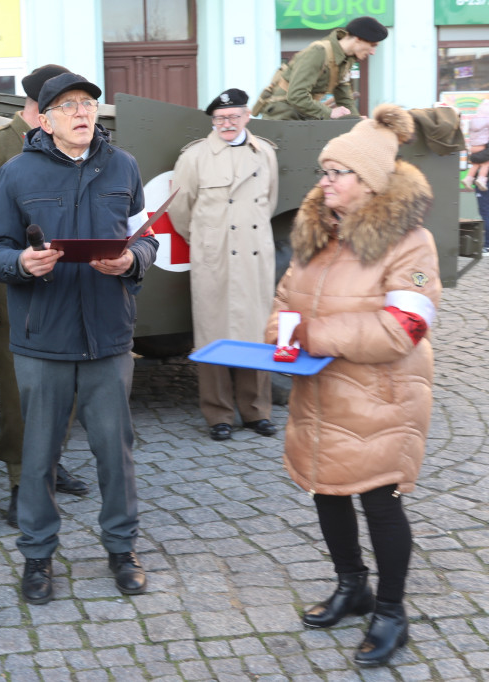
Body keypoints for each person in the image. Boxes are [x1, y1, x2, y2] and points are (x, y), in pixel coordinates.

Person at [264, 104, 439, 667]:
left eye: (337, 172)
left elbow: (405, 327)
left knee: (379, 504)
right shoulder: (317, 232)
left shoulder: (411, 243)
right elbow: (282, 301)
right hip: (321, 393)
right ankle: (352, 586)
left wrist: (311, 335)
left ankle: (391, 613)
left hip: (382, 396)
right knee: (327, 490)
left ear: (369, 183)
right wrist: (282, 332)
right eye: (324, 170)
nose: (324, 181)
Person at [0, 73, 158, 604]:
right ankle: (37, 558)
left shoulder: (123, 166)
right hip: (43, 341)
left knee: (115, 452)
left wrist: (131, 260)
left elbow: (147, 238)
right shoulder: (17, 173)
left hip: (107, 337)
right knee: (37, 457)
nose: (83, 112)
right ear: (46, 118)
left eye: (89, 103)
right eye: (68, 105)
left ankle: (121, 549)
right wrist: (22, 262)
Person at [0, 64, 89, 527]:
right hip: (14, 294)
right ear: (39, 104)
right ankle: (20, 482)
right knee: (19, 394)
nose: (76, 110)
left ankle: (51, 465)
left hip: (69, 291)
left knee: (65, 389)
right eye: (64, 101)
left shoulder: (73, 143)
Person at [170, 88, 279, 441]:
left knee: (255, 331)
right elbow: (180, 208)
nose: (227, 124)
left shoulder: (265, 155)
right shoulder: (195, 157)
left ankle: (256, 411)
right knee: (213, 332)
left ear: (247, 116)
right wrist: (205, 240)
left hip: (253, 255)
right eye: (220, 119)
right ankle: (218, 414)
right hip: (214, 255)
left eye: (233, 117)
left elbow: (269, 202)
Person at [255, 16, 388, 121]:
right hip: (283, 115)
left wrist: (355, 120)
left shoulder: (345, 59)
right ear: (358, 39)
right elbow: (296, 96)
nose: (373, 52)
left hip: (304, 115)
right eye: (372, 45)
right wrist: (330, 112)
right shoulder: (319, 52)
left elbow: (344, 97)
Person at [462, 99, 489, 191]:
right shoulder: (487, 121)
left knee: (475, 165)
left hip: (473, 148)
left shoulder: (473, 120)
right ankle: (481, 179)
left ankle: (468, 178)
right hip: (481, 147)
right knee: (486, 164)